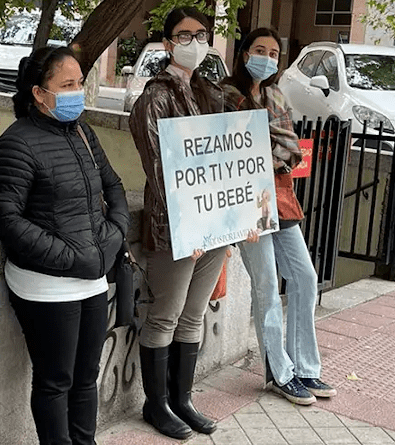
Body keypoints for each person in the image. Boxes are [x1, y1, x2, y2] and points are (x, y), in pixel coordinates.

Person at [0, 46, 130, 445]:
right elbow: (5, 219)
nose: (77, 93)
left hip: (92, 274)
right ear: (39, 93)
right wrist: (67, 256)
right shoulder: (17, 143)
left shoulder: (83, 132)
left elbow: (114, 186)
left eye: (80, 83)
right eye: (67, 85)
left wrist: (114, 233)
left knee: (86, 378)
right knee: (56, 381)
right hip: (46, 284)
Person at [220, 27, 337, 405]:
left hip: (280, 201)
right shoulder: (225, 96)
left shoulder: (275, 95)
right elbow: (230, 153)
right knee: (267, 286)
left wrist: (263, 155)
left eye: (273, 53)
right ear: (243, 53)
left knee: (305, 277)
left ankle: (306, 368)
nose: (266, 58)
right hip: (245, 205)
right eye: (259, 50)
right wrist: (268, 156)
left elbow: (293, 151)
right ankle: (279, 372)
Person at [128, 6, 227, 440]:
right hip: (177, 228)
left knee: (193, 316)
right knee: (165, 317)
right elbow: (159, 170)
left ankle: (182, 399)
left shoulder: (212, 93)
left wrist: (240, 215)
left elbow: (230, 163)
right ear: (168, 43)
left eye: (201, 34)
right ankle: (157, 405)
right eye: (184, 35)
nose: (195, 43)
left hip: (217, 227)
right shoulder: (155, 97)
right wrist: (195, 225)